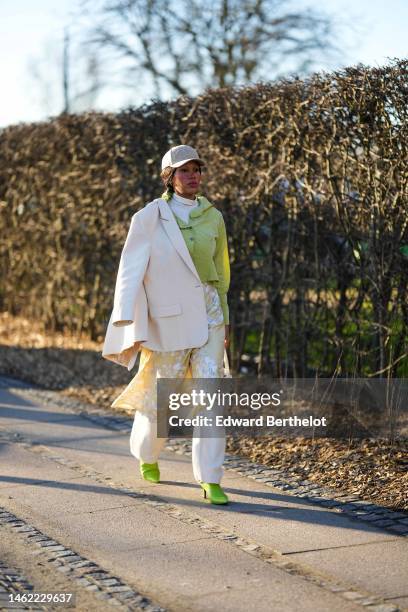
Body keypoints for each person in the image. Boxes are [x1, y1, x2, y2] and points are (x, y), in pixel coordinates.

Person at [102, 145, 231, 504]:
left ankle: (211, 479)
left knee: (211, 398)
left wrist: (226, 318)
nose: (192, 176)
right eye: (184, 170)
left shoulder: (213, 217)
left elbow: (221, 274)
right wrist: (127, 319)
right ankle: (146, 453)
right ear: (169, 178)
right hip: (167, 320)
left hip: (209, 317)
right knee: (164, 400)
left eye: (196, 169)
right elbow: (130, 271)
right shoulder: (148, 217)